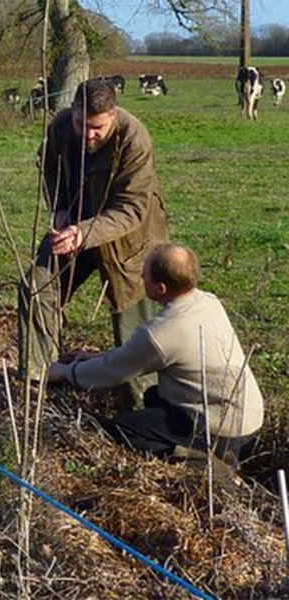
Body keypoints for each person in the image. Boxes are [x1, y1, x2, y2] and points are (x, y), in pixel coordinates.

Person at [19, 78, 169, 405]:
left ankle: (142, 405)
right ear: (72, 111)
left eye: (97, 127)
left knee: (132, 326)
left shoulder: (135, 140)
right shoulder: (60, 126)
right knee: (37, 285)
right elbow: (48, 163)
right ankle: (40, 379)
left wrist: (85, 233)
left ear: (113, 115)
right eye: (80, 123)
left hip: (128, 239)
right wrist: (58, 206)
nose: (87, 134)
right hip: (73, 226)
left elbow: (131, 209)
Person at [48, 244, 264, 461]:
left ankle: (201, 454)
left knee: (124, 427)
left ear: (161, 288)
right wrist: (96, 356)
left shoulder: (161, 333)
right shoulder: (209, 301)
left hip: (221, 431)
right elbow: (136, 356)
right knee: (154, 395)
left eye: (145, 275)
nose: (141, 276)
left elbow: (112, 372)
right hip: (248, 420)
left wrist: (67, 372)